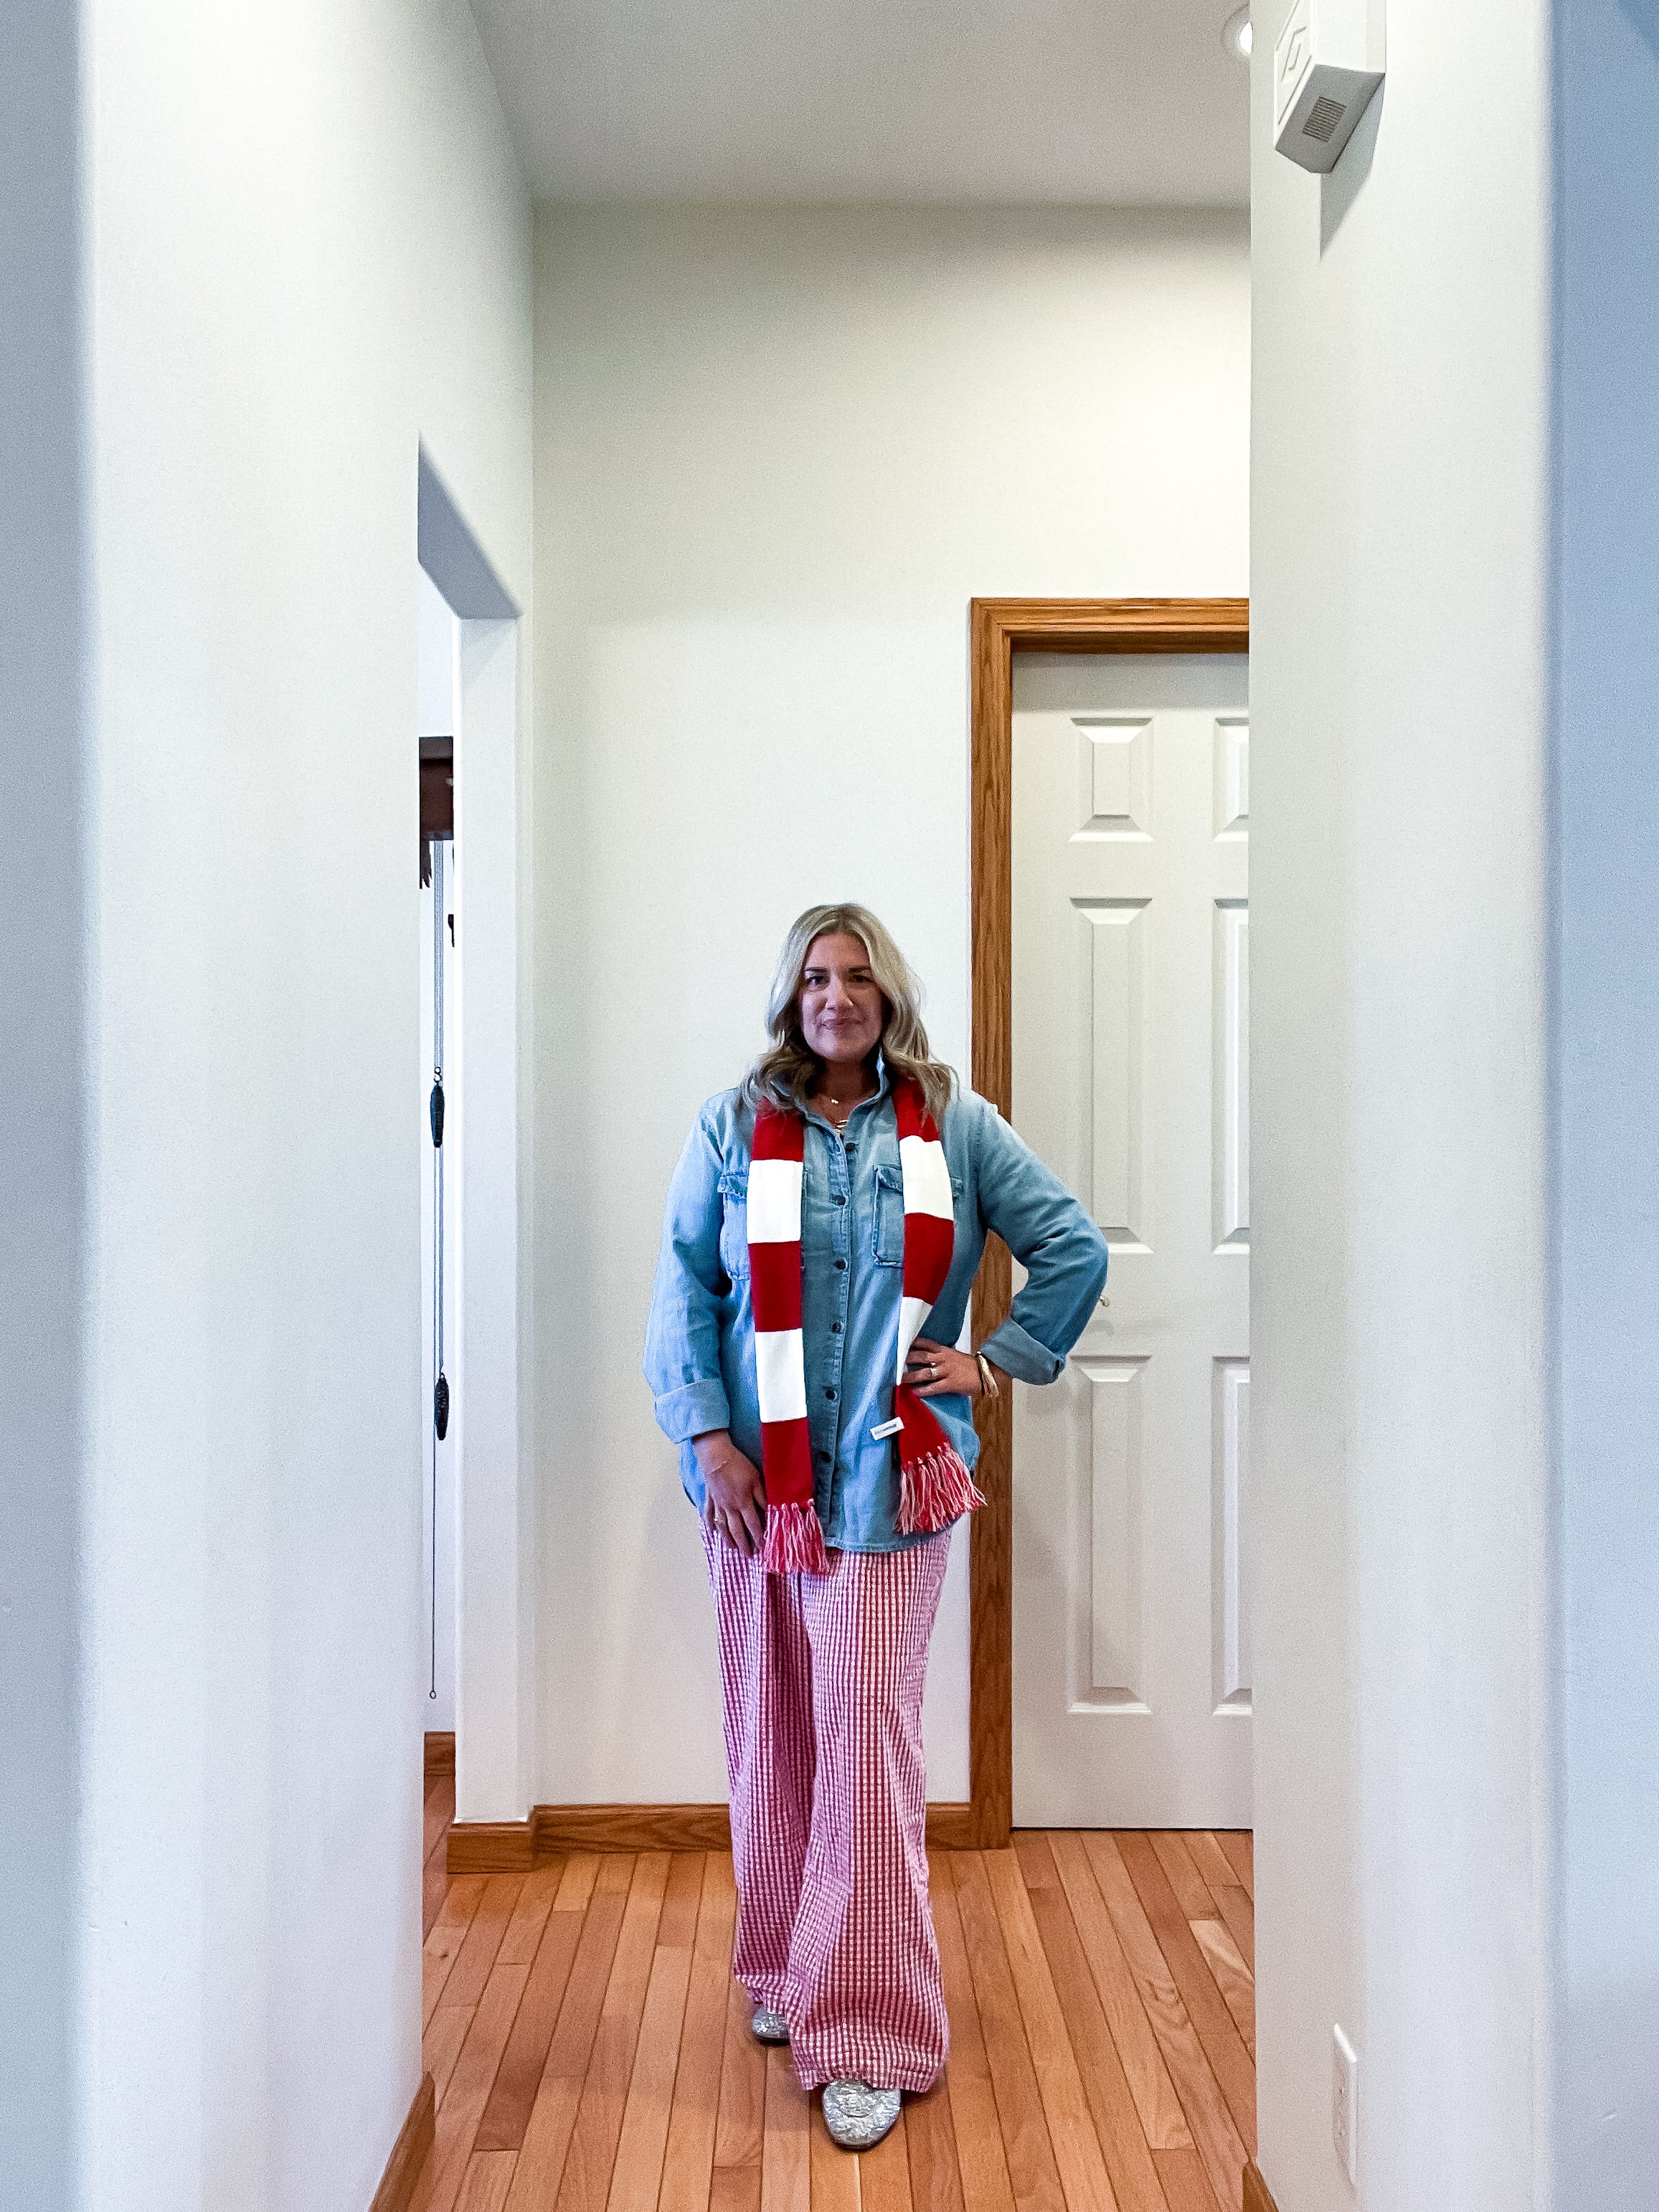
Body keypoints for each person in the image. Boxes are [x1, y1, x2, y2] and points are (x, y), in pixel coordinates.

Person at [642, 903, 1109, 2149]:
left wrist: (995, 1359)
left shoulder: (953, 1123)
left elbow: (1069, 1247)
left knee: (863, 1756)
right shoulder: (736, 1125)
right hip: (756, 1494)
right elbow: (684, 1281)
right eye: (813, 976)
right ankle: (794, 1974)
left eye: (855, 976)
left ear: (887, 993)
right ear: (788, 996)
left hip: (892, 1492)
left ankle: (869, 2034)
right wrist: (709, 1441)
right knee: (773, 1737)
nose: (834, 996)